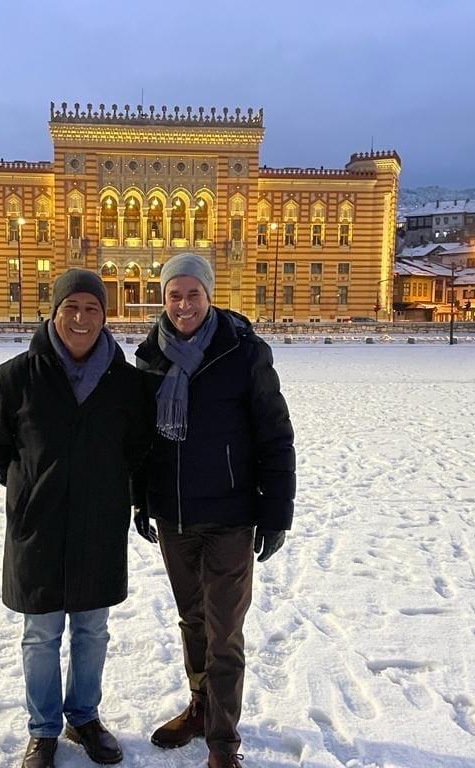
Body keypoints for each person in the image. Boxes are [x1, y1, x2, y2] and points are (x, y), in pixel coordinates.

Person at [0, 269, 152, 768]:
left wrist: (113, 486)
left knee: (93, 631)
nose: (81, 318)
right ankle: (44, 729)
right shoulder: (17, 376)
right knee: (42, 633)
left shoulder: (126, 383)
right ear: (54, 313)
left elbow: (138, 445)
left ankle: (84, 716)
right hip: (40, 527)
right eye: (71, 307)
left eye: (92, 309)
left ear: (105, 315)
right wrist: (23, 484)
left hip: (98, 524)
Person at [132, 253, 296, 768]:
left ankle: (224, 743)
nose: (184, 305)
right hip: (175, 516)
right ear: (164, 299)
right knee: (192, 621)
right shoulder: (149, 356)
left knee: (224, 630)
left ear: (209, 295)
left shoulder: (244, 353)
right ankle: (201, 707)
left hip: (229, 514)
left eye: (193, 294)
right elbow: (143, 439)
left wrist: (276, 514)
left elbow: (275, 435)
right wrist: (141, 498)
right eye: (174, 295)